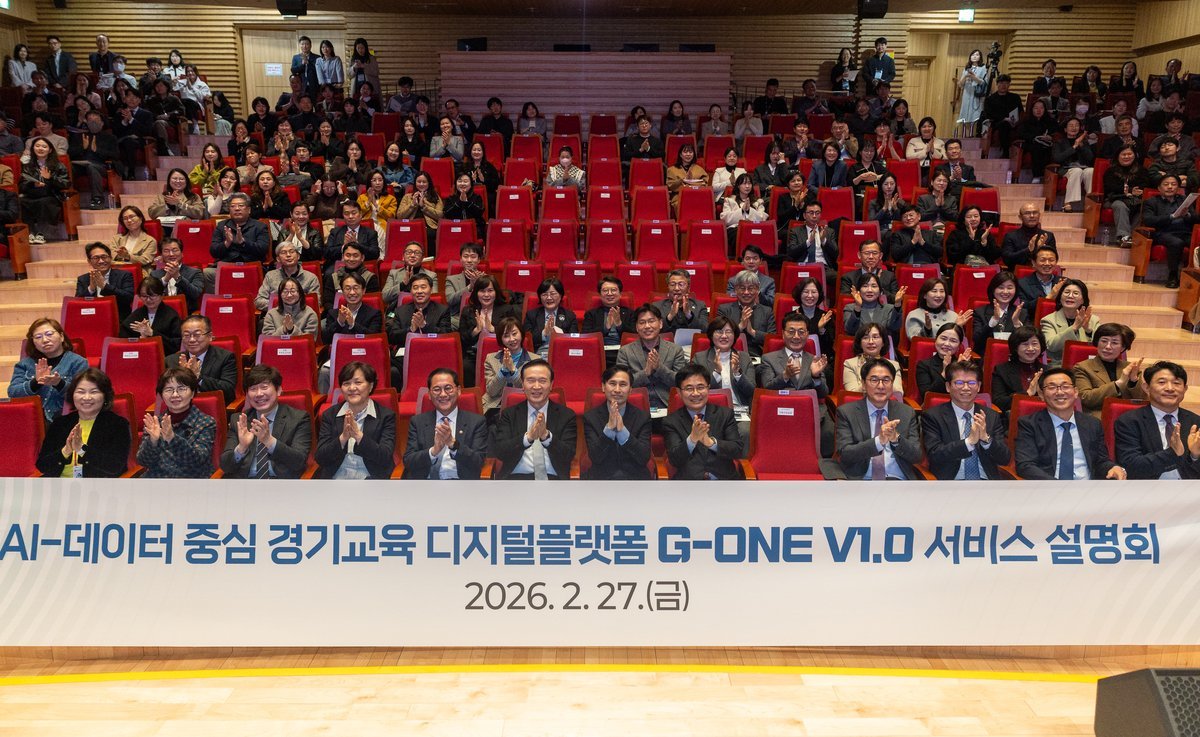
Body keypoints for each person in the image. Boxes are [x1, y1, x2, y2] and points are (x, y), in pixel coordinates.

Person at [1015, 367, 1126, 480]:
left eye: (1065, 386)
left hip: (1087, 487)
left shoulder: (1092, 424)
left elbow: (1101, 461)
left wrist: (1113, 468)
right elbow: (1026, 465)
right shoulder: (1029, 424)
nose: (1059, 392)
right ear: (1041, 394)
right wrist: (1058, 486)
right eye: (1052, 387)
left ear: (1075, 392)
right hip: (1049, 487)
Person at [757, 313, 833, 455]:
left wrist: (815, 376)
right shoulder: (769, 359)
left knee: (830, 432)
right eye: (791, 332)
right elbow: (766, 388)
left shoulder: (814, 360)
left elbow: (824, 393)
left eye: (801, 332)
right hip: (782, 408)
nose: (796, 336)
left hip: (810, 410)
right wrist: (785, 376)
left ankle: (822, 464)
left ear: (807, 334)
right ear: (783, 334)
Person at [219, 364, 312, 480]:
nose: (259, 394)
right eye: (253, 389)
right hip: (246, 485)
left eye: (264, 387)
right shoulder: (240, 420)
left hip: (281, 484)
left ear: (278, 390)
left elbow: (299, 462)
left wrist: (270, 442)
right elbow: (225, 466)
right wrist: (241, 448)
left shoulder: (298, 418)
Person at [834, 358, 921, 480]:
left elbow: (916, 456)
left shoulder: (906, 412)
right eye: (874, 380)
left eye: (886, 380)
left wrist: (896, 439)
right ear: (863, 384)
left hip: (898, 480)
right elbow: (845, 454)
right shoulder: (847, 412)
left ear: (892, 384)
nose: (880, 386)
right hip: (861, 480)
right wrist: (878, 442)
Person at [489, 359, 576, 480]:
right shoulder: (510, 414)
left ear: (551, 385)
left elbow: (569, 455)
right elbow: (500, 451)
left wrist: (546, 437)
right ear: (523, 385)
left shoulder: (566, 415)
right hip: (515, 479)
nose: (536, 386)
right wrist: (528, 438)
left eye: (542, 381)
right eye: (530, 381)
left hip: (553, 480)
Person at [922, 360, 1010, 480]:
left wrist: (986, 439)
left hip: (986, 482)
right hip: (951, 482)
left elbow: (1005, 458)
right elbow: (935, 454)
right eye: (959, 382)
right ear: (948, 387)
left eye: (972, 383)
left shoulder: (991, 416)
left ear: (979, 386)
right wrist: (968, 442)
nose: (966, 388)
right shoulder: (933, 416)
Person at [36, 367, 130, 478]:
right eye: (81, 392)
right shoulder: (59, 424)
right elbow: (42, 465)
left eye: (94, 392)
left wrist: (82, 450)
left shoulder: (117, 425)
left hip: (96, 485)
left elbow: (114, 467)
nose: (86, 397)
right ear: (72, 395)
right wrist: (65, 451)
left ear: (105, 396)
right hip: (59, 484)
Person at [1115, 361, 1200, 479]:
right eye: (1162, 382)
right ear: (1146, 388)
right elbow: (1131, 465)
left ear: (1185, 389)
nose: (1170, 388)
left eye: (1176, 383)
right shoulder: (1130, 421)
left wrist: (1194, 456)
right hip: (1147, 488)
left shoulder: (1195, 422)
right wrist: (1172, 453)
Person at [402, 368, 489, 480]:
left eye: (448, 388)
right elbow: (408, 461)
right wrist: (433, 451)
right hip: (426, 484)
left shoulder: (476, 422)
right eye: (436, 389)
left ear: (458, 390)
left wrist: (453, 444)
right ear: (429, 394)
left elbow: (478, 461)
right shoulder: (418, 422)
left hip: (461, 483)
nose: (443, 394)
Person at [315, 361, 396, 480]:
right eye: (346, 383)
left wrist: (358, 436)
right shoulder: (330, 415)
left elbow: (385, 457)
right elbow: (320, 458)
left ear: (371, 386)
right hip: (336, 478)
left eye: (358, 382)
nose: (352, 388)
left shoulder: (386, 416)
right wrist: (343, 438)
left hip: (371, 478)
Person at [137, 367, 217, 479]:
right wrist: (153, 442)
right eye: (169, 390)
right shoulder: (155, 423)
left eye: (181, 389)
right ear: (161, 395)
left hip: (191, 481)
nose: (175, 394)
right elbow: (143, 461)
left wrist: (172, 439)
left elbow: (198, 460)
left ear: (193, 393)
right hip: (158, 480)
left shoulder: (206, 422)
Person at [690, 315, 755, 449]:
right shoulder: (699, 358)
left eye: (728, 332)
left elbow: (751, 391)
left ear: (734, 336)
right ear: (711, 335)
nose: (724, 336)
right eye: (719, 331)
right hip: (709, 411)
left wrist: (737, 373)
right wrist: (716, 373)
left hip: (738, 412)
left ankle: (740, 462)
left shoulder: (744, 358)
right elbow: (696, 391)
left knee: (745, 431)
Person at [8, 318, 89, 423]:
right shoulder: (25, 364)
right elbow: (13, 392)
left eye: (49, 334)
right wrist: (35, 382)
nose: (45, 340)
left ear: (61, 336)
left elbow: (84, 395)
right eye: (38, 337)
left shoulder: (78, 362)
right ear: (33, 342)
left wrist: (59, 384)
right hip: (31, 419)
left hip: (64, 418)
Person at [616, 304, 688, 420]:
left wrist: (659, 368)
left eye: (651, 321)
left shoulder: (675, 350)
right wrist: (645, 373)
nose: (647, 326)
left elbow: (681, 382)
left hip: (668, 406)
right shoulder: (625, 352)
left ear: (660, 323)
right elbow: (621, 385)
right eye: (642, 322)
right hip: (635, 408)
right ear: (637, 327)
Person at [581, 366, 653, 480]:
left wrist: (623, 432)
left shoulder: (643, 417)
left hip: (634, 480)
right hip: (602, 480)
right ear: (603, 387)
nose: (617, 390)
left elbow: (643, 458)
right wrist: (608, 430)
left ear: (630, 389)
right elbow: (595, 457)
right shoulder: (591, 417)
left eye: (623, 384)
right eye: (612, 384)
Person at [386, 272, 451, 382]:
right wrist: (410, 330)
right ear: (411, 291)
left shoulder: (442, 310)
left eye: (423, 287)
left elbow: (446, 335)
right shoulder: (400, 311)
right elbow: (392, 336)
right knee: (392, 369)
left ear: (431, 289)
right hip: (406, 355)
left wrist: (424, 326)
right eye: (415, 288)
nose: (419, 291)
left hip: (432, 351)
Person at [1072, 322, 1147, 417]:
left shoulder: (1130, 368)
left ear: (1123, 348)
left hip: (1129, 418)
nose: (1107, 347)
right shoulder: (1082, 367)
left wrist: (1133, 381)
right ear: (1097, 343)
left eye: (1114, 343)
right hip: (1099, 417)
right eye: (1104, 341)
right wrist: (1118, 384)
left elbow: (1142, 401)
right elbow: (1085, 398)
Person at [1143, 173, 1200, 288]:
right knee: (1176, 243)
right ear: (1159, 188)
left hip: (1184, 232)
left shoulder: (1184, 200)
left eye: (1173, 184)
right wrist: (1171, 217)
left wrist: (1187, 215)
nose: (1170, 187)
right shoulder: (1151, 202)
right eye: (1166, 184)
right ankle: (1173, 275)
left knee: (1196, 241)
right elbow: (1149, 220)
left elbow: (1196, 219)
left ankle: (1193, 276)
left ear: (1178, 188)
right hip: (1163, 233)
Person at [167, 315, 238, 404]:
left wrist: (198, 377)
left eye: (197, 335)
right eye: (186, 335)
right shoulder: (171, 361)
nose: (192, 339)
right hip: (180, 408)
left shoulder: (225, 357)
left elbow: (228, 389)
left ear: (210, 336)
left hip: (213, 407)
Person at [459, 275, 520, 377]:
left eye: (490, 290)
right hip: (474, 355)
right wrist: (475, 331)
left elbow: (515, 334)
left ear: (496, 292)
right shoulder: (468, 311)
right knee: (466, 367)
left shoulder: (507, 310)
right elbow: (461, 340)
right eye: (482, 291)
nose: (486, 295)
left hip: (501, 353)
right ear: (476, 293)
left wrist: (493, 329)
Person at [207, 193, 268, 291]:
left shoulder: (260, 226)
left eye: (241, 205)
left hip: (250, 265)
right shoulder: (222, 226)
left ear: (249, 210)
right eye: (233, 206)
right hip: (226, 266)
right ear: (229, 210)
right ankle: (217, 300)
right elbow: (214, 252)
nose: (237, 209)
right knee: (207, 273)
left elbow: (263, 250)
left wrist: (244, 243)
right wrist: (227, 243)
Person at [19, 136, 70, 244]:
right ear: (33, 148)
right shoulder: (28, 166)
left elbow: (66, 184)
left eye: (44, 146)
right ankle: (31, 232)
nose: (40, 148)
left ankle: (41, 233)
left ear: (50, 150)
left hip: (51, 195)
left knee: (44, 202)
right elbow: (22, 185)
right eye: (37, 146)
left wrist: (50, 178)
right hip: (33, 194)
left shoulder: (58, 165)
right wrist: (33, 184)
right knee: (21, 202)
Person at [481, 316, 532, 417]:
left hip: (523, 405)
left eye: (514, 334)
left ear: (521, 334)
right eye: (506, 336)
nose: (512, 339)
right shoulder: (491, 359)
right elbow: (491, 392)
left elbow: (529, 390)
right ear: (501, 339)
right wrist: (503, 371)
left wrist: (513, 370)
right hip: (495, 406)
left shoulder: (535, 360)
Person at [67, 108, 118, 210]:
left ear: (102, 123)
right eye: (90, 120)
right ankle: (69, 197)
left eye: (96, 120)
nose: (93, 122)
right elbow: (70, 153)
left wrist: (97, 150)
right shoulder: (79, 136)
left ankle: (97, 199)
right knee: (68, 167)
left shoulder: (110, 137)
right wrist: (83, 148)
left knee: (92, 167)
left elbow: (115, 155)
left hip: (101, 166)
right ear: (86, 122)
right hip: (81, 166)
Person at [1041, 278, 1099, 366]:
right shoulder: (1048, 320)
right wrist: (1074, 327)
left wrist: (1088, 331)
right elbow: (1051, 346)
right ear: (1060, 297)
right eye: (1067, 292)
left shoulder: (1093, 320)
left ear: (1083, 300)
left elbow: (1101, 346)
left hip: (1088, 365)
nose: (1070, 296)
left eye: (1075, 293)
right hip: (1060, 366)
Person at [991, 325, 1045, 417]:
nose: (1031, 348)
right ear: (1016, 347)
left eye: (1034, 343)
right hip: (1014, 418)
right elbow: (998, 402)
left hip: (1044, 417)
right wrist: (1027, 394)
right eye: (1025, 344)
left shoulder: (1049, 371)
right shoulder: (1002, 370)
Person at [120, 276, 182, 354]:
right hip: (138, 354)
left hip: (164, 356)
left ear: (162, 295)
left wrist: (152, 333)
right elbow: (123, 341)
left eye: (152, 295)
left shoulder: (172, 316)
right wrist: (140, 339)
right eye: (144, 296)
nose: (148, 300)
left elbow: (176, 345)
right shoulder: (135, 316)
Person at [718, 270, 775, 357]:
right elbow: (718, 336)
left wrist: (752, 332)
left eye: (750, 288)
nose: (746, 292)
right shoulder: (724, 309)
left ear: (757, 289)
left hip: (758, 357)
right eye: (742, 288)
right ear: (735, 290)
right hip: (729, 354)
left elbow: (772, 339)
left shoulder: (767, 311)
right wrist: (740, 327)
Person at [257, 237, 321, 312]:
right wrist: (282, 306)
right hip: (277, 314)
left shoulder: (310, 277)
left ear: (298, 256)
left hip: (301, 315)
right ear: (278, 259)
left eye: (291, 251)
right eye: (283, 252)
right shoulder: (270, 276)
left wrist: (290, 306)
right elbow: (259, 301)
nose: (288, 255)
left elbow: (316, 302)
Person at [1102, 144, 1148, 247]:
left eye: (1129, 154)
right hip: (1115, 199)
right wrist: (1129, 191)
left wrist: (1136, 192)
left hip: (1135, 199)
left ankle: (1134, 237)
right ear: (1118, 156)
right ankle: (1124, 237)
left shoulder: (1142, 171)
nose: (1126, 157)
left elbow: (1144, 185)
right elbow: (1110, 187)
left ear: (1135, 155)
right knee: (1119, 205)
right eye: (1123, 154)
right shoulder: (1111, 171)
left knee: (1144, 206)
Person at [914, 323, 973, 401]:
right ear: (936, 339)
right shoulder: (924, 365)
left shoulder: (964, 364)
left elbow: (970, 393)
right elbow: (927, 396)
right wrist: (945, 372)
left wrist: (960, 369)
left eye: (953, 341)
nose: (947, 344)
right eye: (943, 338)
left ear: (959, 346)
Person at [76, 242, 135, 317]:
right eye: (96, 258)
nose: (101, 261)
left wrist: (105, 286)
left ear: (110, 258)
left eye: (104, 257)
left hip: (118, 317)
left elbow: (128, 298)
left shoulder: (124, 275)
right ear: (89, 261)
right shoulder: (83, 279)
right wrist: (91, 289)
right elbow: (77, 304)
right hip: (93, 317)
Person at [972, 270, 1027, 349]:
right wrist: (993, 321)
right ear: (993, 290)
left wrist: (1017, 324)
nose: (1005, 292)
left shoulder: (1022, 313)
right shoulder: (980, 312)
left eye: (1009, 288)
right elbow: (977, 341)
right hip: (987, 354)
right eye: (1001, 287)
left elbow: (1027, 342)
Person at [523, 277, 577, 357]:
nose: (549, 298)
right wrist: (544, 333)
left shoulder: (569, 316)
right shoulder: (531, 315)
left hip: (562, 354)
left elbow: (574, 341)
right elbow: (527, 341)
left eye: (553, 294)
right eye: (544, 294)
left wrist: (561, 336)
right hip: (538, 355)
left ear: (560, 295)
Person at [150, 237, 204, 315]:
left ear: (182, 254)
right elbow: (150, 295)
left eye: (175, 250)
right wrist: (165, 279)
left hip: (187, 314)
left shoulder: (195, 272)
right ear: (161, 255)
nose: (171, 254)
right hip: (161, 314)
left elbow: (195, 294)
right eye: (166, 251)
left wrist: (177, 277)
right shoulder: (155, 274)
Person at [1052, 117, 1096, 213]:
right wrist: (1074, 146)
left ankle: (1089, 202)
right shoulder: (1059, 143)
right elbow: (1058, 158)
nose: (1074, 127)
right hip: (1066, 169)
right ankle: (1067, 203)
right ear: (1065, 129)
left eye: (1076, 125)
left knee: (1091, 171)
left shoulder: (1084, 142)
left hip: (1083, 167)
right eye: (1071, 125)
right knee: (1077, 171)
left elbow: (1090, 158)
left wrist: (1082, 146)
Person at [321, 247, 379, 320]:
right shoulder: (333, 277)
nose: (351, 259)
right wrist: (339, 316)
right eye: (348, 255)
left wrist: (353, 318)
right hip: (337, 316)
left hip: (363, 318)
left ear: (362, 258)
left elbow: (371, 302)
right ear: (343, 257)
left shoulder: (370, 277)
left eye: (355, 255)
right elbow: (328, 302)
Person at [906, 277, 971, 340]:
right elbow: (914, 340)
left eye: (942, 291)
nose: (939, 295)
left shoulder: (954, 316)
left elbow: (959, 342)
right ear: (925, 295)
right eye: (934, 291)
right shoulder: (914, 315)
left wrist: (957, 327)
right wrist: (926, 329)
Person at [323, 199, 380, 269]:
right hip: (339, 266)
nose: (350, 216)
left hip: (362, 266)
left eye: (354, 213)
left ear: (360, 214)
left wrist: (357, 245)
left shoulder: (370, 233)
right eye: (346, 213)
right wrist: (343, 247)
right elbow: (326, 253)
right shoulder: (335, 232)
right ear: (343, 216)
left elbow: (375, 254)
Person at [382, 240, 437, 310]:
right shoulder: (394, 273)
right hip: (398, 311)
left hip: (422, 311)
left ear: (422, 258)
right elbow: (384, 297)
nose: (412, 255)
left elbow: (434, 299)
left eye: (417, 253)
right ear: (403, 256)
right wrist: (402, 285)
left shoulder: (431, 275)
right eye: (409, 252)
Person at [844, 273, 903, 338]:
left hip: (883, 344)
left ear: (880, 291)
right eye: (865, 286)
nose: (869, 290)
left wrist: (897, 304)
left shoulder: (889, 309)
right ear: (859, 291)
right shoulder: (850, 308)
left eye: (874, 286)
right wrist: (858, 307)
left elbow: (895, 327)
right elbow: (850, 330)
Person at [396, 171, 443, 251]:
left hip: (429, 227)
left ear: (429, 183)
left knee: (427, 233)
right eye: (419, 182)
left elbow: (440, 215)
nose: (421, 184)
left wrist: (424, 206)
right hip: (410, 225)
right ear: (415, 183)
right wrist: (412, 205)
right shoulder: (407, 197)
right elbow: (399, 216)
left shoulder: (435, 197)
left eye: (424, 182)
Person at [1000, 203, 1057, 269]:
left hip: (1042, 272)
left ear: (1039, 215)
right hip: (1017, 273)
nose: (1032, 216)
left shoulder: (1048, 236)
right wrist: (1028, 250)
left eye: (1035, 213)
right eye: (1027, 213)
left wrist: (1040, 250)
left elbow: (1054, 259)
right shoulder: (1010, 236)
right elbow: (1007, 260)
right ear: (1020, 217)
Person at [1016, 99, 1058, 183]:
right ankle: (1037, 175)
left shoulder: (1051, 121)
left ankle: (1046, 176)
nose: (1039, 110)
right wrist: (1034, 137)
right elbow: (1021, 133)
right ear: (1032, 110)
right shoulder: (1026, 121)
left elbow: (1057, 132)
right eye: (1036, 108)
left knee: (1046, 148)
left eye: (1041, 108)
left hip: (1047, 144)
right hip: (1031, 143)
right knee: (1037, 148)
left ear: (1045, 109)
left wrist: (1050, 137)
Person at [720, 172, 767, 247]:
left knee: (761, 234)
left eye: (749, 183)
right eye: (744, 183)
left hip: (753, 228)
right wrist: (742, 211)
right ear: (738, 186)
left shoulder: (758, 201)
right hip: (735, 229)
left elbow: (762, 219)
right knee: (740, 234)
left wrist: (749, 210)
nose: (747, 186)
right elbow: (725, 218)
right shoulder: (729, 200)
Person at [109, 205, 158, 276]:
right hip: (118, 272)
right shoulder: (116, 239)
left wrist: (128, 256)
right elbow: (111, 256)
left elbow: (145, 260)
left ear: (140, 218)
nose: (129, 220)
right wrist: (122, 256)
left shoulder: (150, 241)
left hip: (140, 273)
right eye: (125, 218)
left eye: (131, 217)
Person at [275, 200, 325, 265]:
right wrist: (291, 235)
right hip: (286, 265)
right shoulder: (283, 232)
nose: (301, 217)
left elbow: (317, 254)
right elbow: (279, 252)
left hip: (308, 264)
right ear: (291, 214)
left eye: (304, 214)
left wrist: (301, 238)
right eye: (297, 214)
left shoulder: (315, 233)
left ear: (308, 215)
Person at [444, 242, 486, 318]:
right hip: (458, 317)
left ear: (479, 260)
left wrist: (481, 283)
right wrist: (470, 286)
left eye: (473, 257)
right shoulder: (451, 279)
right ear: (461, 259)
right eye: (465, 256)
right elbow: (450, 300)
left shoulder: (486, 279)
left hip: (482, 316)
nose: (469, 260)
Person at [460, 139, 501, 215]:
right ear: (470, 152)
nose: (476, 152)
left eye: (479, 150)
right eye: (474, 150)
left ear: (483, 152)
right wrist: (470, 181)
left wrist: (484, 180)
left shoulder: (489, 167)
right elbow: (458, 183)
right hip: (469, 195)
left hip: (487, 196)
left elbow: (497, 184)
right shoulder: (465, 167)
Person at [357, 170, 398, 244]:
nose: (377, 183)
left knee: (377, 233)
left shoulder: (391, 198)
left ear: (383, 182)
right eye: (374, 180)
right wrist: (369, 201)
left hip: (382, 226)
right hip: (365, 225)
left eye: (380, 180)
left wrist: (376, 205)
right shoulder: (362, 197)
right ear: (370, 183)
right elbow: (358, 214)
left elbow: (391, 216)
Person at [665, 143, 708, 212]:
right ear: (680, 154)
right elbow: (671, 185)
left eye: (690, 152)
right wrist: (683, 181)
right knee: (681, 204)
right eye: (685, 152)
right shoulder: (671, 170)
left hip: (697, 195)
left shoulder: (699, 169)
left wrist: (690, 184)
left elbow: (705, 183)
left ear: (693, 154)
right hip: (679, 196)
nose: (688, 154)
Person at [775, 169, 816, 239]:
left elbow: (812, 216)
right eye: (793, 181)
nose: (796, 183)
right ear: (788, 184)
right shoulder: (783, 197)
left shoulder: (809, 196)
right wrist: (795, 205)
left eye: (799, 180)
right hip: (786, 228)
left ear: (803, 183)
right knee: (792, 234)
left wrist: (802, 205)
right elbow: (782, 217)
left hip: (805, 227)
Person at [957, 50, 989, 133]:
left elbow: (984, 82)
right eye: (973, 54)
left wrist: (973, 77)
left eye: (977, 55)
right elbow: (960, 84)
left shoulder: (983, 68)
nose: (974, 56)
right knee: (965, 116)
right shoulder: (966, 68)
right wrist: (966, 76)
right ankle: (966, 134)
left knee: (976, 116)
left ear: (980, 57)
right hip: (966, 94)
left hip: (977, 95)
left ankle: (974, 134)